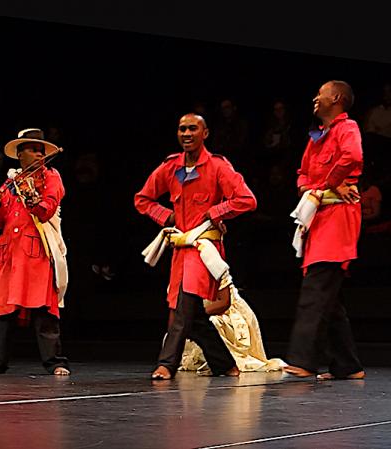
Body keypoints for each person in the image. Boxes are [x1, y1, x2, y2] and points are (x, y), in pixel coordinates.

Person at [134, 113, 257, 380]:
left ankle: (166, 363)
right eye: (182, 129)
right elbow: (142, 199)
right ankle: (225, 364)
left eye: (192, 128)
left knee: (183, 304)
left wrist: (216, 211)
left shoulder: (217, 166)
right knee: (191, 314)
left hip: (204, 247)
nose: (187, 134)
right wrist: (166, 216)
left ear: (205, 133)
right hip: (181, 248)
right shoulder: (171, 166)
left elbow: (247, 200)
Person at [284, 80, 366, 380]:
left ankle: (303, 360)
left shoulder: (347, 128)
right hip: (318, 217)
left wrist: (328, 184)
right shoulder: (317, 136)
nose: (315, 98)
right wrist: (311, 187)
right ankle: (348, 365)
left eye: (321, 94)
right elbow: (302, 173)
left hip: (338, 216)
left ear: (337, 98)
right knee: (328, 295)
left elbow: (353, 157)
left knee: (317, 288)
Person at [0, 128, 70, 376]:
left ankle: (55, 361)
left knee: (43, 308)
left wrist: (33, 199)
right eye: (33, 150)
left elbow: (47, 209)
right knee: (3, 309)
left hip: (37, 250)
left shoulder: (50, 177)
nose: (39, 155)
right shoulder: (10, 182)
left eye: (41, 151)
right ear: (20, 154)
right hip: (9, 253)